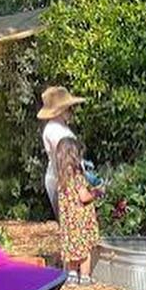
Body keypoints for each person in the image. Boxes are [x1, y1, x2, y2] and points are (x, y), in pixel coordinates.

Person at [53, 136, 100, 286]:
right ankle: (85, 277)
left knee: (72, 248)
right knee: (85, 250)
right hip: (80, 221)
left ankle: (72, 275)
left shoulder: (61, 179)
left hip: (69, 223)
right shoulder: (78, 177)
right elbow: (84, 197)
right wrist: (96, 193)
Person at [36, 84, 86, 216]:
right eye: (69, 108)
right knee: (71, 221)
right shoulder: (54, 130)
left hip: (67, 178)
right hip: (63, 179)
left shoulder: (60, 127)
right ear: (60, 110)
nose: (72, 111)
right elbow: (67, 157)